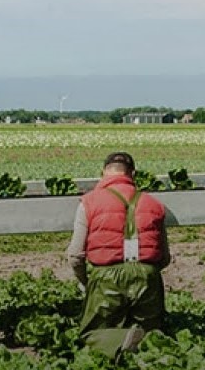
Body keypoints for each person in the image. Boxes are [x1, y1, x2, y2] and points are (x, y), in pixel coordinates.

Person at [66, 151, 171, 358]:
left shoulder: (89, 202)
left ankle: (122, 340)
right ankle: (145, 345)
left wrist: (87, 282)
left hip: (107, 276)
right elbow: (165, 256)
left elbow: (75, 255)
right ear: (133, 174)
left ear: (103, 173)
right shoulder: (154, 204)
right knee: (154, 336)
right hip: (147, 275)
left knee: (92, 333)